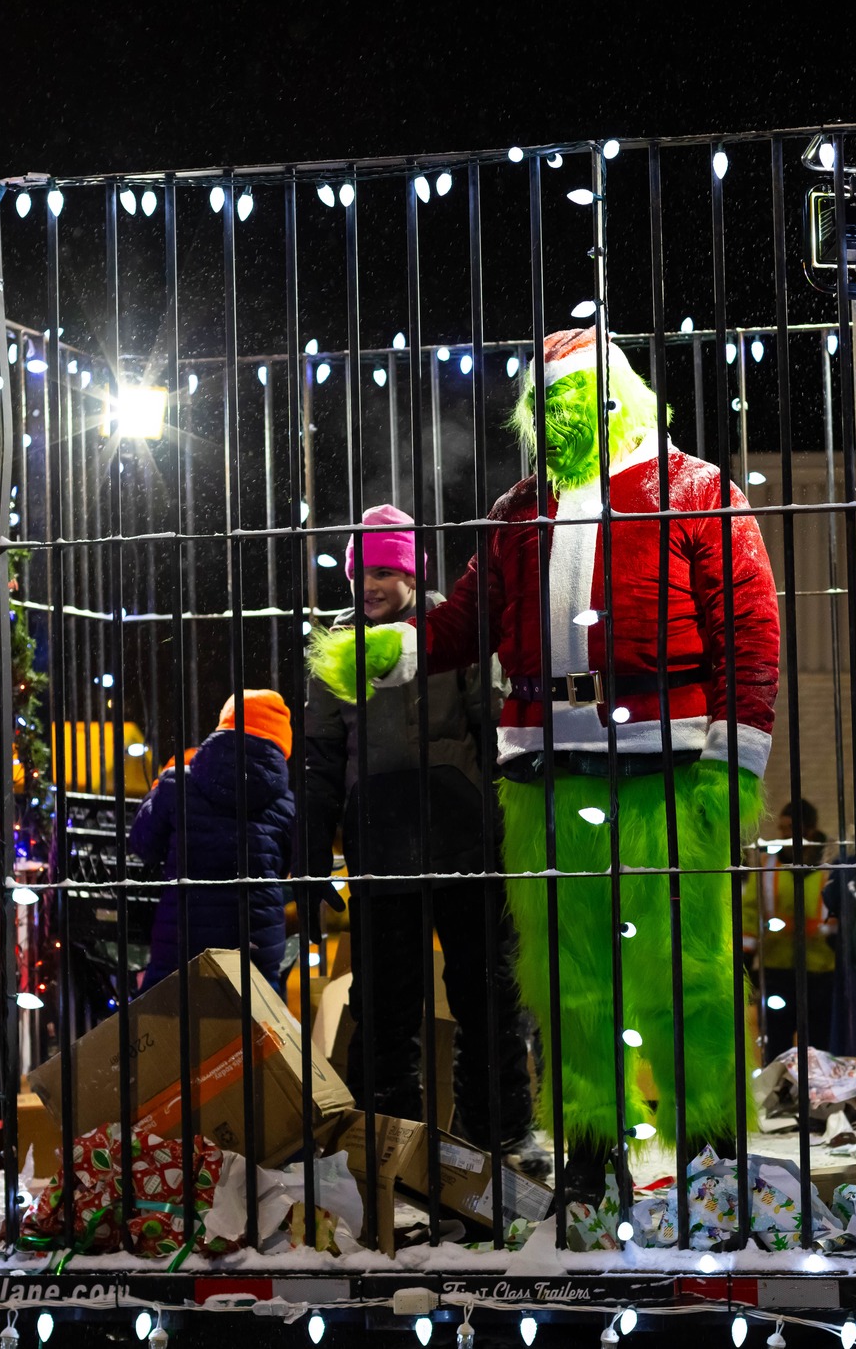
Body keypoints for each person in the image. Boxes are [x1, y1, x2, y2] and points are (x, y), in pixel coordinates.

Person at [309, 329, 780, 1206]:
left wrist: (731, 765)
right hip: (544, 773)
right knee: (570, 980)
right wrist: (390, 653)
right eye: (553, 404)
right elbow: (470, 621)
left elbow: (749, 632)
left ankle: (712, 1152)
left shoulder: (697, 491)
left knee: (688, 968)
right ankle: (592, 1153)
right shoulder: (519, 509)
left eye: (583, 402)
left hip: (668, 767)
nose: (566, 420)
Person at [302, 504, 538, 1169]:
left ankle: (496, 1140)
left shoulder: (451, 634)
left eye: (384, 571)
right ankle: (384, 1150)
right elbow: (319, 759)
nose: (371, 585)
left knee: (487, 997)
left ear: (411, 573)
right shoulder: (335, 646)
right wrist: (313, 854)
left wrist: (514, 831)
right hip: (380, 846)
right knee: (383, 1007)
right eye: (362, 573)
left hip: (465, 840)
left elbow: (494, 730)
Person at [130, 690, 297, 991]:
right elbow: (286, 868)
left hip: (182, 940)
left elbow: (144, 845)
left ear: (225, 725)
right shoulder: (285, 805)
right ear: (281, 744)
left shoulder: (175, 783)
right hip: (253, 944)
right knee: (255, 1028)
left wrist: (155, 796)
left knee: (167, 1024)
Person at [756, 799, 835, 1060]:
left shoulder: (832, 866)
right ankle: (777, 1093)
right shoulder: (768, 865)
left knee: (818, 1046)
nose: (783, 834)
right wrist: (745, 957)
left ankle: (816, 1096)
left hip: (820, 971)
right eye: (781, 828)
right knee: (775, 1044)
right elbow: (749, 913)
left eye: (789, 828)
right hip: (777, 968)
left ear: (809, 830)